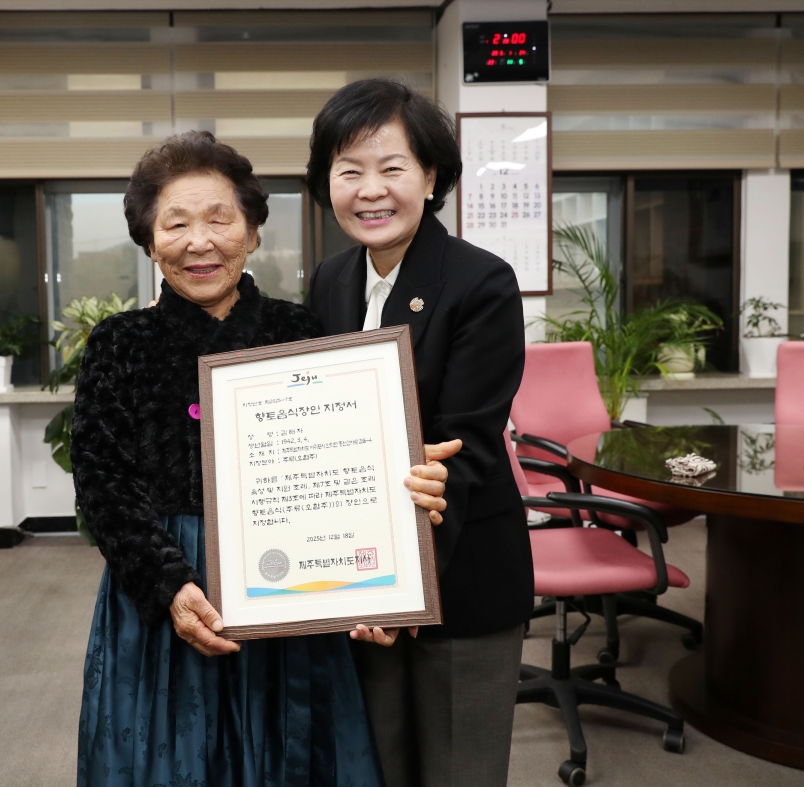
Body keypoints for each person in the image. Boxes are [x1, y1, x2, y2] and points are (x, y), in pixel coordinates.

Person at [70, 130, 460, 787]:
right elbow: (102, 483)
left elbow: (343, 467)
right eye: (177, 223)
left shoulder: (299, 330)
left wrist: (378, 547)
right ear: (150, 241)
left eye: (221, 218)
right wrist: (169, 582)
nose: (201, 241)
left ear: (252, 233)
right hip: (167, 592)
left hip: (291, 588)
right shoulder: (120, 343)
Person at [304, 79, 536, 787]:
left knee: (457, 770)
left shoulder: (481, 283)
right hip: (361, 582)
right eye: (349, 171)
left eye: (391, 167)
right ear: (327, 184)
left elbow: (460, 451)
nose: (370, 190)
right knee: (379, 765)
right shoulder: (330, 281)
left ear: (431, 177)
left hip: (459, 577)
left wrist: (402, 590)